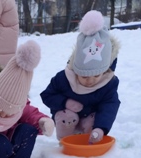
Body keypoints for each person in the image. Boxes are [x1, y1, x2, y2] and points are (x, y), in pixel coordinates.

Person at [40, 10, 120, 143]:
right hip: (67, 117)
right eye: (84, 76)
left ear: (104, 71)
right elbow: (47, 95)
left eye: (96, 75)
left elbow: (109, 107)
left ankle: (89, 141)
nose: (90, 81)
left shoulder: (108, 83)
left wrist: (100, 128)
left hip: (89, 118)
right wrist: (65, 102)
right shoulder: (64, 78)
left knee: (92, 122)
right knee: (67, 117)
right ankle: (66, 142)